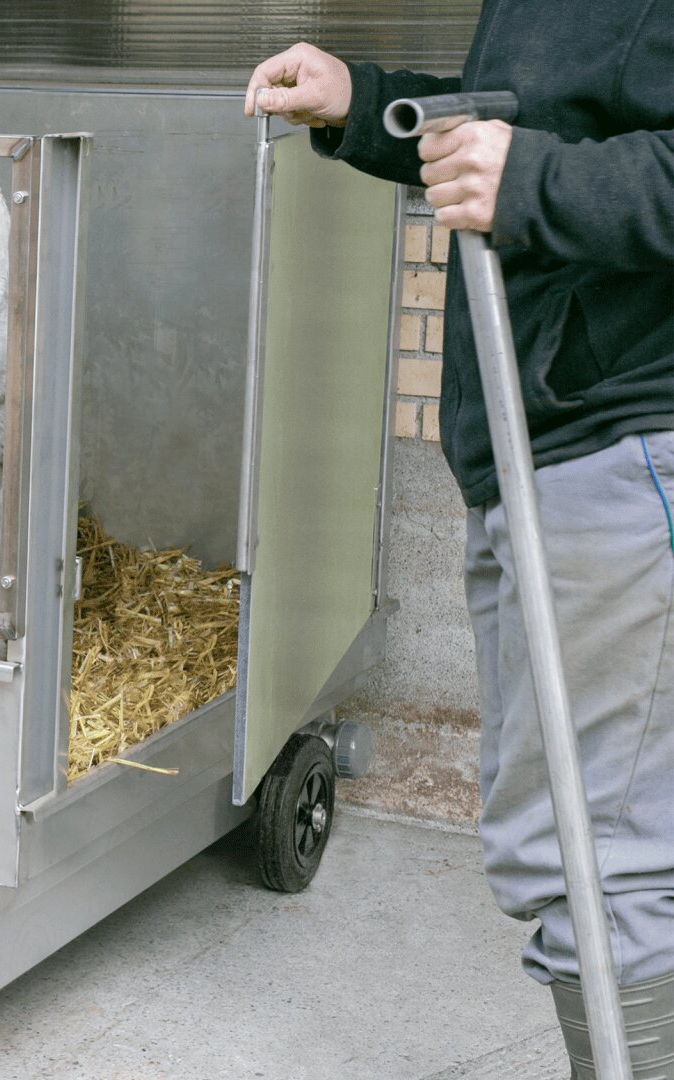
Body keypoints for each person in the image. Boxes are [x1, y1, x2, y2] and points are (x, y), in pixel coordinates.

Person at [245, 14, 674, 1078]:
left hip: (612, 445)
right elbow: (541, 121)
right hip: (537, 449)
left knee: (597, 864)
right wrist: (367, 98)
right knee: (590, 853)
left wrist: (535, 185)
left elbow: (545, 162)